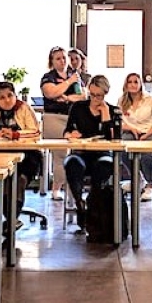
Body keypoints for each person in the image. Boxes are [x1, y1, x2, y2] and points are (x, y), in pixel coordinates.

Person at [62, 75, 120, 222]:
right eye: (92, 94)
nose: (95, 98)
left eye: (99, 95)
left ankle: (92, 202)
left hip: (102, 154)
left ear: (105, 93)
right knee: (72, 164)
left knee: (104, 166)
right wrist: (70, 134)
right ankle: (79, 203)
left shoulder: (113, 110)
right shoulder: (78, 107)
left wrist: (105, 116)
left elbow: (113, 139)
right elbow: (67, 130)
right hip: (81, 152)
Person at [0, 81, 43, 212]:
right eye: (2, 97)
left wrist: (15, 135)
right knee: (0, 179)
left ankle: (12, 218)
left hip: (27, 154)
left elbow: (35, 132)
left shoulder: (24, 108)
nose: (7, 100)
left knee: (19, 180)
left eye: (10, 95)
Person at [40, 46, 85, 201]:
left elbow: (82, 96)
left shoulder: (74, 75)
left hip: (72, 118)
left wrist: (66, 98)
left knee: (74, 155)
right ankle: (57, 188)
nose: (62, 61)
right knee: (60, 155)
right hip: (54, 117)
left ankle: (72, 190)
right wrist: (67, 84)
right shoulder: (48, 77)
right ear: (52, 61)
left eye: (64, 58)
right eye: (58, 58)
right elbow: (51, 93)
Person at [118, 72, 152, 201]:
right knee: (122, 151)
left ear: (140, 84)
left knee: (146, 155)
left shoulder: (151, 99)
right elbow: (119, 121)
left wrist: (146, 134)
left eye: (136, 82)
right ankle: (138, 179)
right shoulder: (122, 100)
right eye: (130, 82)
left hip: (150, 132)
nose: (132, 85)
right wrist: (131, 128)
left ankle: (150, 185)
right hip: (130, 132)